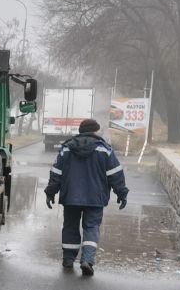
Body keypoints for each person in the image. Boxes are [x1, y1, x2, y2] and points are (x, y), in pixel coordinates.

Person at [43, 117, 129, 277]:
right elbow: (115, 174)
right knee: (91, 227)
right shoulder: (104, 150)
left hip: (71, 197)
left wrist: (50, 192)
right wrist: (121, 193)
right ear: (96, 131)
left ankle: (68, 260)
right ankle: (87, 261)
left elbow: (56, 173)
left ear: (80, 131)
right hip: (95, 198)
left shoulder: (66, 148)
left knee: (70, 226)